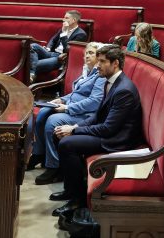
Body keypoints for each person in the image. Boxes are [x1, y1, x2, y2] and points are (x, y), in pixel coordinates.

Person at [52, 45, 142, 218]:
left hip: (117, 140)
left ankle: (78, 199)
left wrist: (74, 131)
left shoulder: (124, 90)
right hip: (109, 132)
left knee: (67, 144)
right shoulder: (110, 82)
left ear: (115, 63)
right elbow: (97, 116)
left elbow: (108, 129)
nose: (97, 65)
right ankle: (71, 189)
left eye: (102, 61)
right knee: (58, 133)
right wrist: (75, 127)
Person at [28, 42, 105, 185]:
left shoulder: (101, 75)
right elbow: (77, 93)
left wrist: (67, 107)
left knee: (53, 121)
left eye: (91, 53)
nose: (87, 56)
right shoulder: (87, 71)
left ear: (99, 57)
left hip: (86, 114)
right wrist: (61, 99)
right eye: (86, 53)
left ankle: (54, 166)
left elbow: (95, 101)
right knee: (43, 112)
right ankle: (39, 153)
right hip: (72, 107)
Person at [29, 10, 88, 82]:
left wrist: (64, 33)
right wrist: (48, 48)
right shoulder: (63, 29)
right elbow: (53, 39)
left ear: (74, 20)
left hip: (61, 58)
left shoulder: (81, 34)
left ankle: (31, 74)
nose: (63, 20)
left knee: (35, 64)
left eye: (66, 18)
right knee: (33, 46)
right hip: (52, 53)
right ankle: (32, 74)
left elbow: (69, 50)